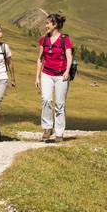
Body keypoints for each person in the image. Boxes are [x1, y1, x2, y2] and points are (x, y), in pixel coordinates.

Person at [34, 13, 73, 142]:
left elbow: (69, 57)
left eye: (48, 23)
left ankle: (59, 133)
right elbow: (40, 59)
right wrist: (37, 77)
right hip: (47, 74)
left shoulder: (64, 39)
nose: (46, 26)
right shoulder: (43, 40)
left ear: (55, 25)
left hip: (62, 75)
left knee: (60, 104)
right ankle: (47, 127)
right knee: (46, 100)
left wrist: (67, 72)